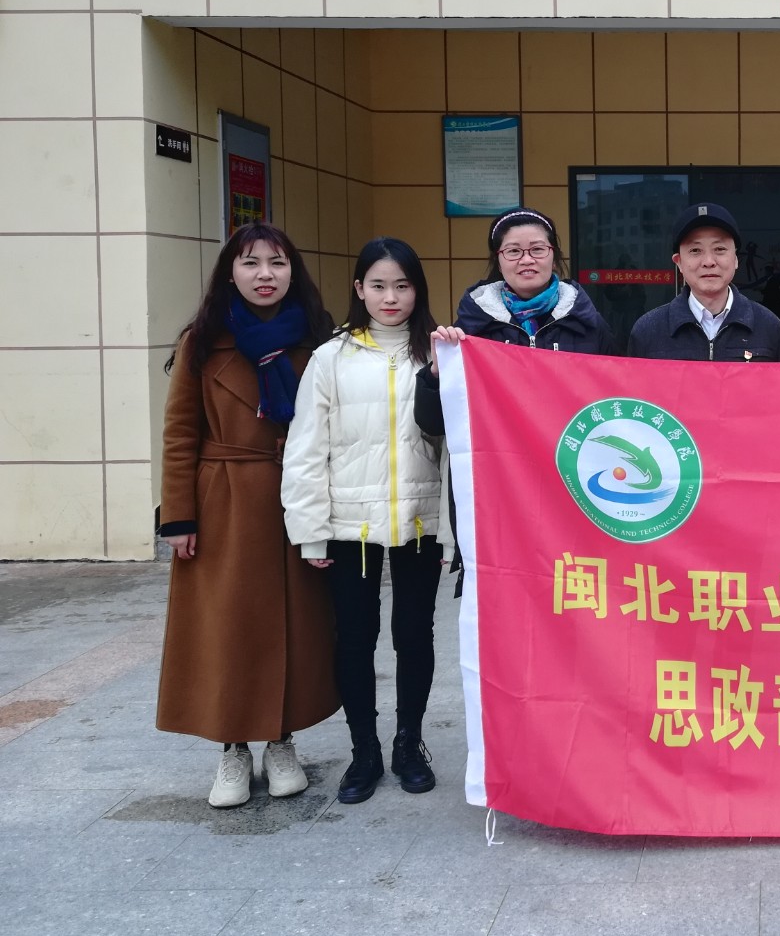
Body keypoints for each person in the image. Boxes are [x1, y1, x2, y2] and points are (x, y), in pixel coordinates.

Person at [156, 223, 338, 809]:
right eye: (251, 263)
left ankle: (282, 741)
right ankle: (232, 748)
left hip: (296, 499)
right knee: (228, 626)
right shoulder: (203, 340)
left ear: (293, 272)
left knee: (295, 625)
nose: (265, 275)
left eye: (277, 263)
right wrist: (179, 517)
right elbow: (180, 433)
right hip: (225, 501)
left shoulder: (319, 337)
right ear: (229, 273)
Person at [281, 238, 448, 805]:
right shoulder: (331, 357)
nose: (390, 297)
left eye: (402, 285)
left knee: (414, 635)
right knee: (354, 638)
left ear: (417, 290)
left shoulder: (440, 352)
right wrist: (309, 531)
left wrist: (456, 532)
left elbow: (460, 445)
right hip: (348, 525)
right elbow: (306, 448)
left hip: (421, 519)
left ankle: (408, 744)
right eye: (378, 285)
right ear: (359, 289)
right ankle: (364, 751)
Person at [416, 206, 617, 433]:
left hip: (567, 451)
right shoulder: (471, 328)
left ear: (554, 257)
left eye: (537, 249)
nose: (527, 259)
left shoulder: (588, 323)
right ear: (498, 261)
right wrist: (436, 374)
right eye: (513, 251)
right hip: (498, 454)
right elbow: (433, 424)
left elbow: (614, 404)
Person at [627, 202, 780, 361]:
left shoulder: (768, 326)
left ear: (736, 259)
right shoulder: (647, 331)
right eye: (695, 250)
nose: (709, 262)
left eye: (720, 249)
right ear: (679, 262)